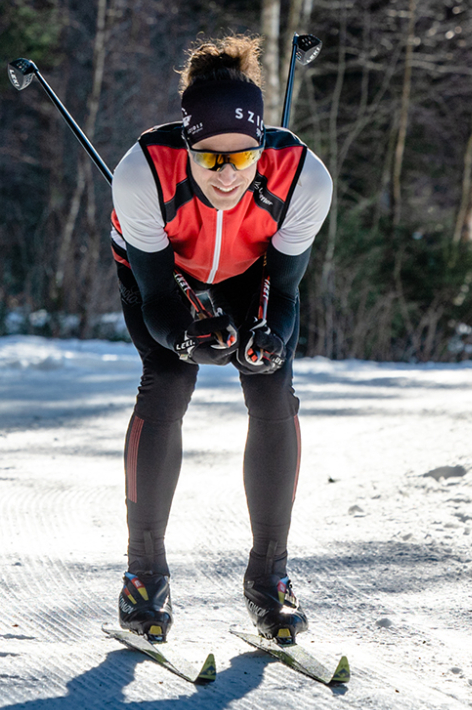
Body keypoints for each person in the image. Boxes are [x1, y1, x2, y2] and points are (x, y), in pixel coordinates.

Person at [107, 35, 332, 644]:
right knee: (169, 382)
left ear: (263, 148)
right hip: (162, 275)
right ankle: (143, 577)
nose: (228, 176)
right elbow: (155, 300)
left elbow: (283, 296)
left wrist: (273, 340)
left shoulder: (304, 180)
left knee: (271, 386)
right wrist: (184, 337)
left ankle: (270, 580)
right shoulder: (141, 173)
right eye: (211, 159)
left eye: (243, 158)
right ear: (188, 146)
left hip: (249, 272)